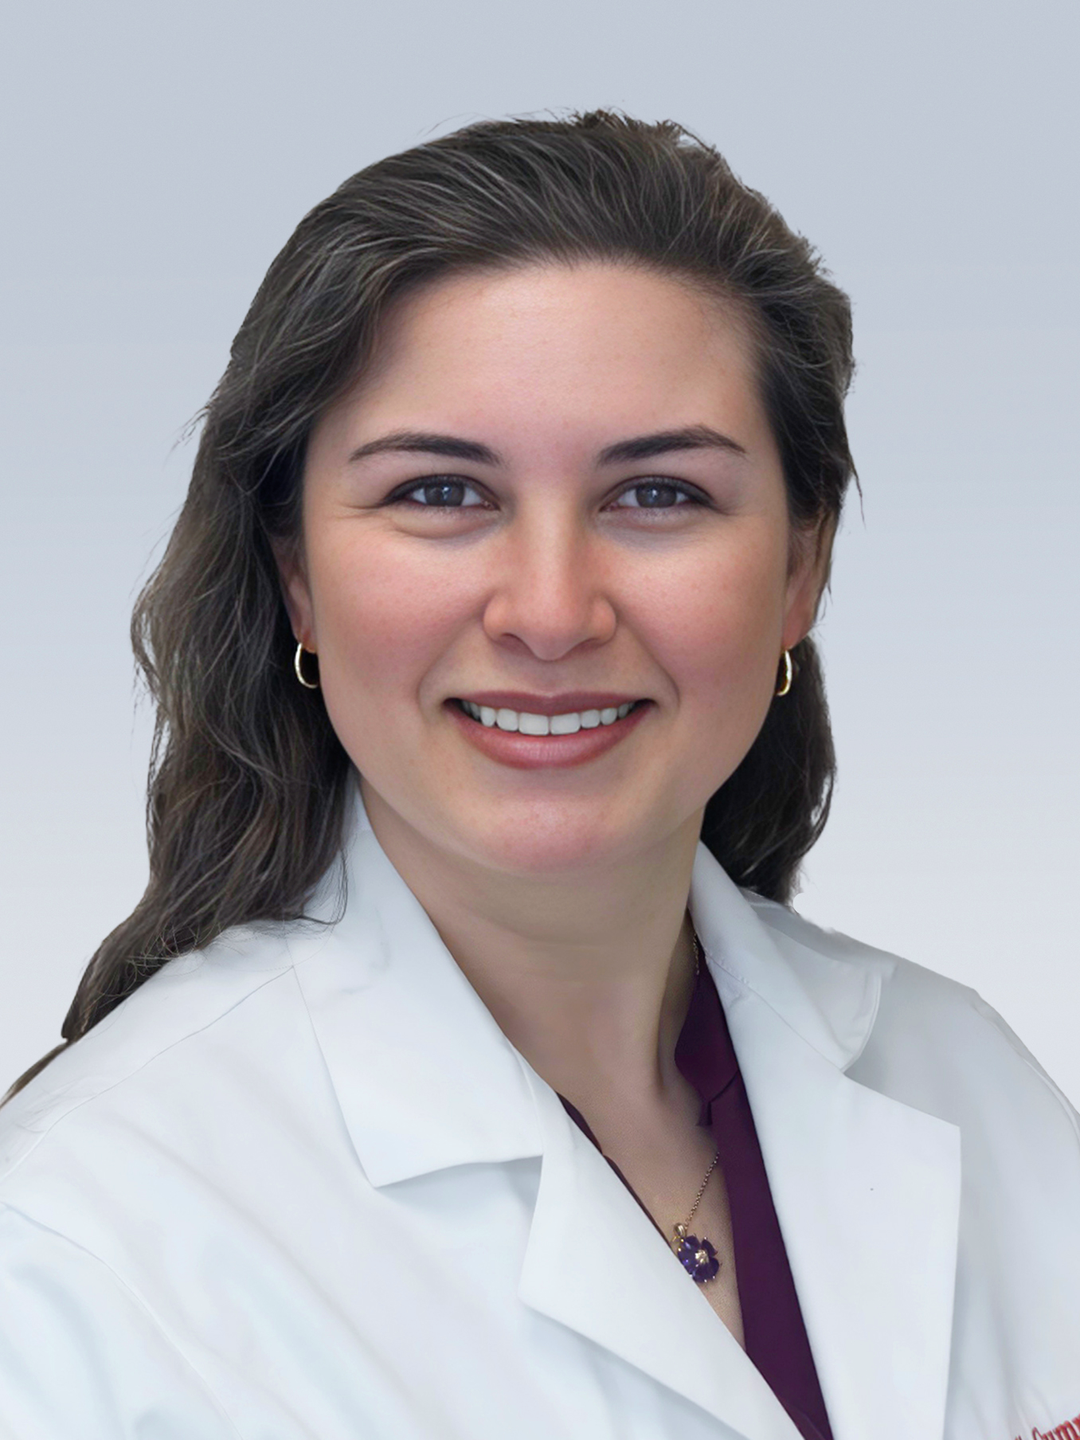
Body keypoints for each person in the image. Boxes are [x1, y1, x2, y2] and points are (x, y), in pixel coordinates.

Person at [0, 110, 1077, 1440]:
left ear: (801, 569)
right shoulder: (79, 1249)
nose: (553, 612)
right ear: (298, 579)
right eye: (440, 493)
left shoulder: (971, 1087)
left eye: (660, 493)